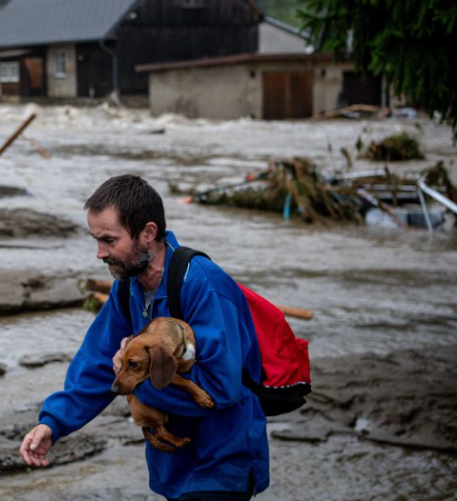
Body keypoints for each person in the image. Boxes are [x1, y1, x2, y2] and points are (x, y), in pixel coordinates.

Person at [19, 175, 269, 500]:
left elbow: (221, 388)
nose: (99, 253)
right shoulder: (130, 286)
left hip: (220, 464)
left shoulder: (204, 285)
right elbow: (98, 361)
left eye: (109, 240)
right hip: (172, 463)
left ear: (148, 233)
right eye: (95, 239)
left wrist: (137, 377)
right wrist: (54, 423)